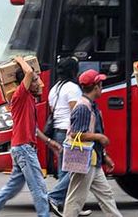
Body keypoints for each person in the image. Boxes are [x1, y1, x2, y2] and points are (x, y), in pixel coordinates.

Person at [0, 56, 62, 217]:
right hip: (24, 149)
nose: (40, 83)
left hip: (21, 148)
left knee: (12, 187)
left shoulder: (29, 99)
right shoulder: (19, 96)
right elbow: (29, 71)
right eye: (36, 80)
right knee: (38, 186)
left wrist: (50, 142)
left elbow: (34, 129)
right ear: (27, 83)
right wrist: (19, 59)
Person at [63, 69, 122, 217]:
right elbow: (76, 133)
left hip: (93, 159)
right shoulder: (83, 107)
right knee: (76, 199)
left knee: (106, 195)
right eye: (100, 84)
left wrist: (104, 156)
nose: (102, 87)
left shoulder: (90, 105)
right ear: (96, 87)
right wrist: (99, 137)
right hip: (84, 161)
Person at [47, 58, 92, 217]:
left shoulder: (54, 89)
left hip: (57, 132)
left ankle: (70, 208)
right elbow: (76, 112)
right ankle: (51, 198)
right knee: (75, 171)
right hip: (70, 132)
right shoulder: (73, 88)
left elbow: (53, 111)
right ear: (73, 71)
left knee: (64, 170)